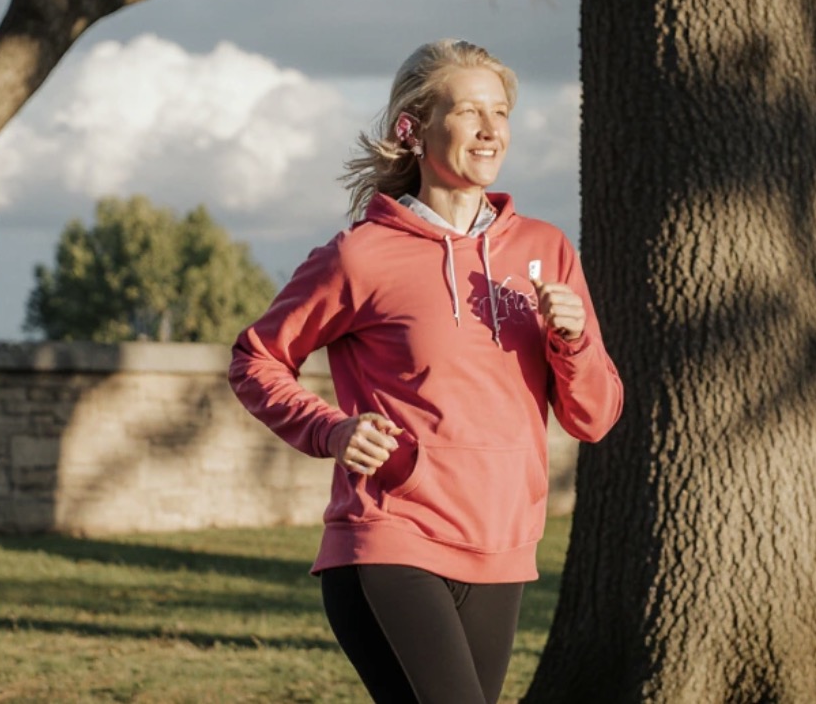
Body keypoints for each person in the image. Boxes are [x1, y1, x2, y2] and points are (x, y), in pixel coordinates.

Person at [229, 38, 623, 704]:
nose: (491, 129)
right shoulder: (362, 255)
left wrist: (575, 341)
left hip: (501, 544)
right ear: (413, 127)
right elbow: (256, 358)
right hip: (391, 539)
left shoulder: (545, 250)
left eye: (500, 112)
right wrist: (331, 431)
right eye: (470, 111)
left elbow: (593, 418)